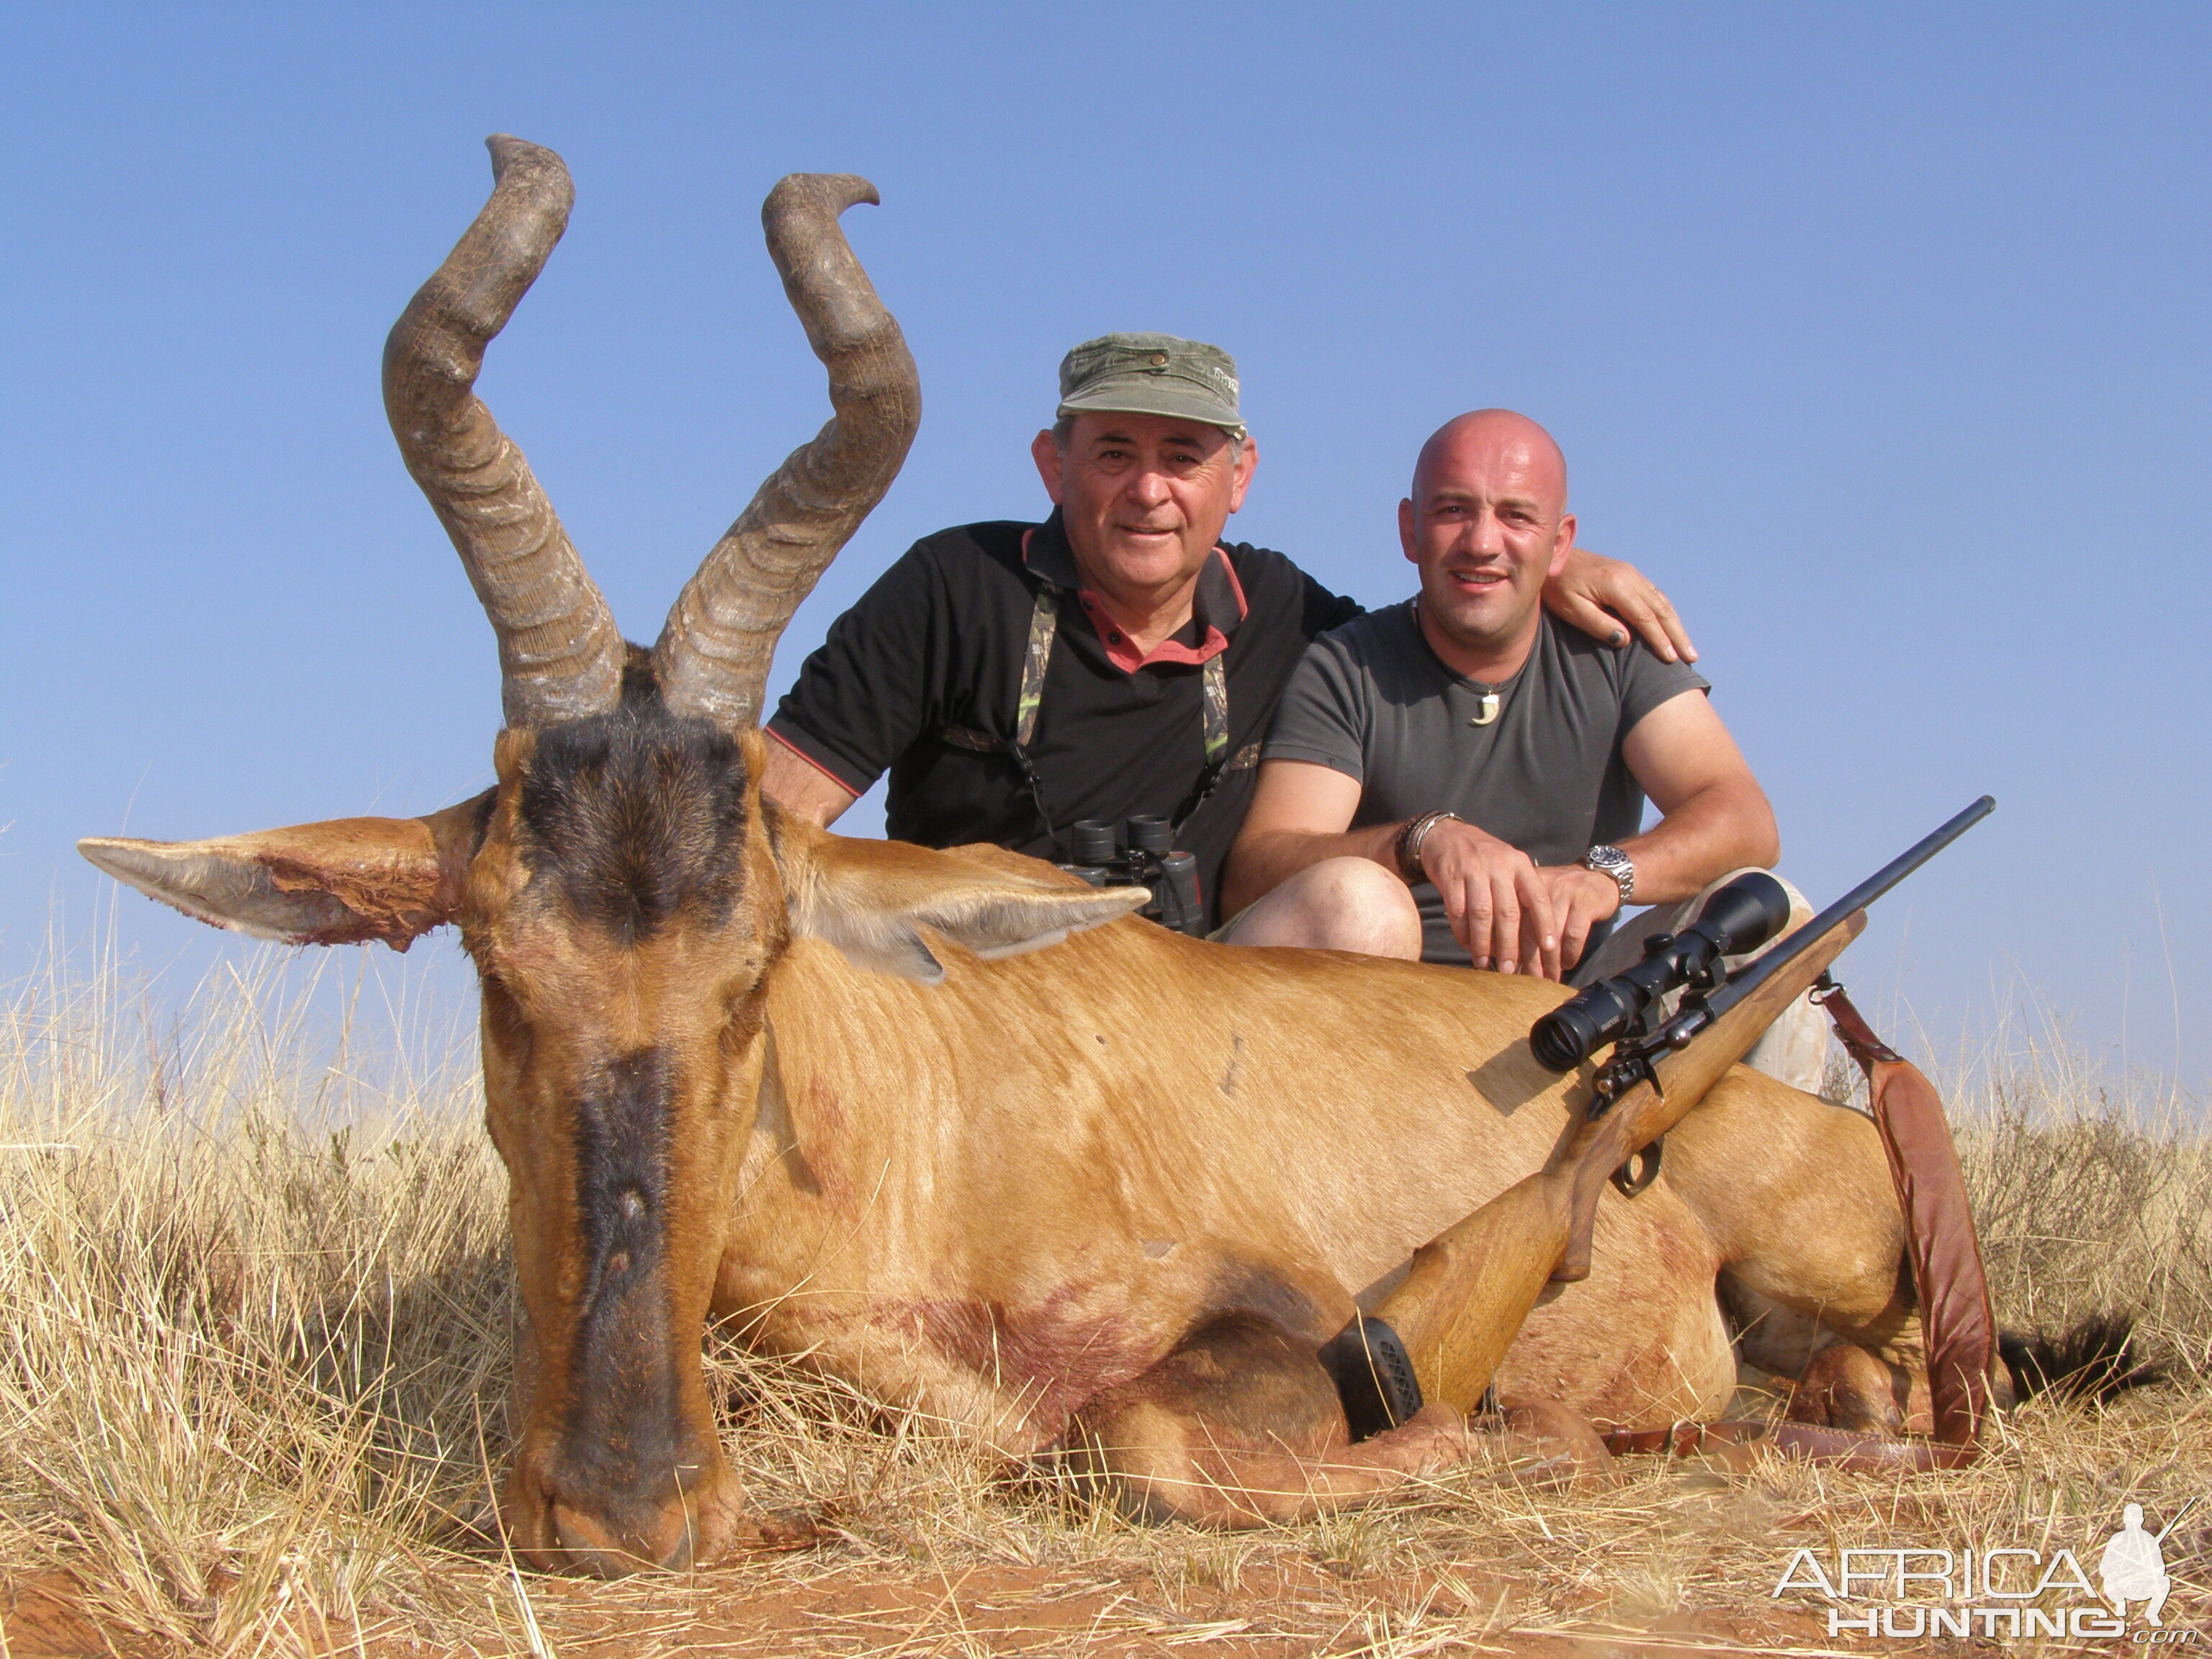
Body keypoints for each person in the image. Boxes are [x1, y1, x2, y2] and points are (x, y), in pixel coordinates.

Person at [762, 337, 1689, 928]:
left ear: (1239, 477)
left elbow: (1447, 607)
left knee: (1357, 910)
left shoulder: (1287, 613)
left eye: (1182, 459)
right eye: (1114, 453)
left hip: (1197, 998)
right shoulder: (952, 586)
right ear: (1054, 464)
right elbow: (769, 812)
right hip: (973, 985)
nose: (1149, 491)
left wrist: (1553, 572)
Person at [1218, 408, 1826, 1087]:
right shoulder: (1345, 665)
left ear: (1560, 543)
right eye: (1453, 510)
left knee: (1769, 912)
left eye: (1516, 517)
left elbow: (1745, 819)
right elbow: (1259, 869)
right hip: (1388, 1027)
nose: (1483, 542)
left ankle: (1733, 1190)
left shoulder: (1617, 651)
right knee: (1357, 901)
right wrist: (1421, 842)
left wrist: (1604, 877)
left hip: (1576, 1013)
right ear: (1408, 529)